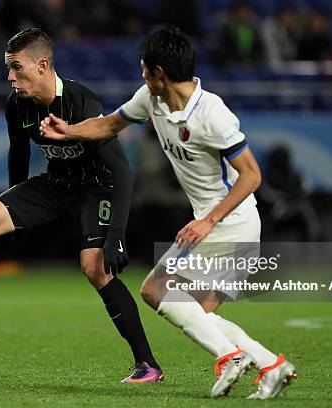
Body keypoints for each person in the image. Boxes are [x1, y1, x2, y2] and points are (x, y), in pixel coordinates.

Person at [40, 25, 297, 399]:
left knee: (155, 290)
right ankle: (270, 365)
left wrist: (209, 220)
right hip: (213, 226)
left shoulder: (212, 113)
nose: (142, 75)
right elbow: (111, 124)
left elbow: (252, 175)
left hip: (230, 224)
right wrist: (70, 131)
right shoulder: (151, 99)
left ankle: (230, 357)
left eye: (144, 69)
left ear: (159, 72)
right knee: (196, 313)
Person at [0, 28, 163, 383]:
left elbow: (121, 169)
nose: (10, 77)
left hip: (98, 188)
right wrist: (11, 207)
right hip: (56, 184)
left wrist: (116, 234)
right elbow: (19, 153)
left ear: (42, 65)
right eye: (8, 68)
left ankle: (148, 365)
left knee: (95, 268)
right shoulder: (17, 106)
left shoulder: (80, 102)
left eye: (17, 68)